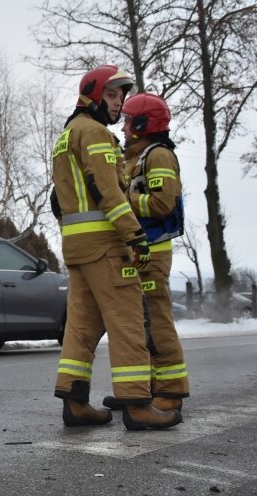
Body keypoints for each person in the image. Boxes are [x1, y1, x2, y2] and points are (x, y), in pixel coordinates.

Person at [50, 65, 182, 430]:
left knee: (81, 325)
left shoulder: (66, 135)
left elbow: (58, 200)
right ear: (91, 95)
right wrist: (134, 236)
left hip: (76, 247)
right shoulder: (94, 134)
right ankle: (138, 405)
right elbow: (109, 193)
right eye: (111, 95)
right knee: (128, 324)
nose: (118, 102)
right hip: (107, 246)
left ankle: (75, 401)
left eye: (121, 95)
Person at [103, 93, 189, 413]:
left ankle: (172, 391)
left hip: (153, 252)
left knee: (157, 320)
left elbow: (162, 204)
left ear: (143, 124)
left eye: (128, 120)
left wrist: (125, 200)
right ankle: (147, 390)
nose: (123, 127)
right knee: (140, 322)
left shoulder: (159, 155)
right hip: (137, 249)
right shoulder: (134, 155)